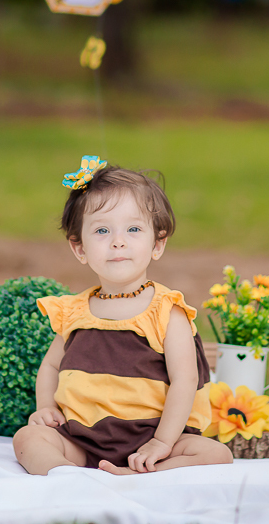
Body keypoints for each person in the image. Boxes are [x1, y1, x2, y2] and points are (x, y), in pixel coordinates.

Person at [13, 156, 233, 475]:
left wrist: (162, 442)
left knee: (216, 455)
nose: (118, 241)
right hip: (82, 440)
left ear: (157, 244)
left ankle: (144, 472)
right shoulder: (75, 311)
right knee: (27, 438)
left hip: (153, 439)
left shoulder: (166, 311)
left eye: (133, 229)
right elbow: (49, 364)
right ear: (80, 249)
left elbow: (184, 381)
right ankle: (65, 475)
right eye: (102, 230)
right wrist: (45, 406)